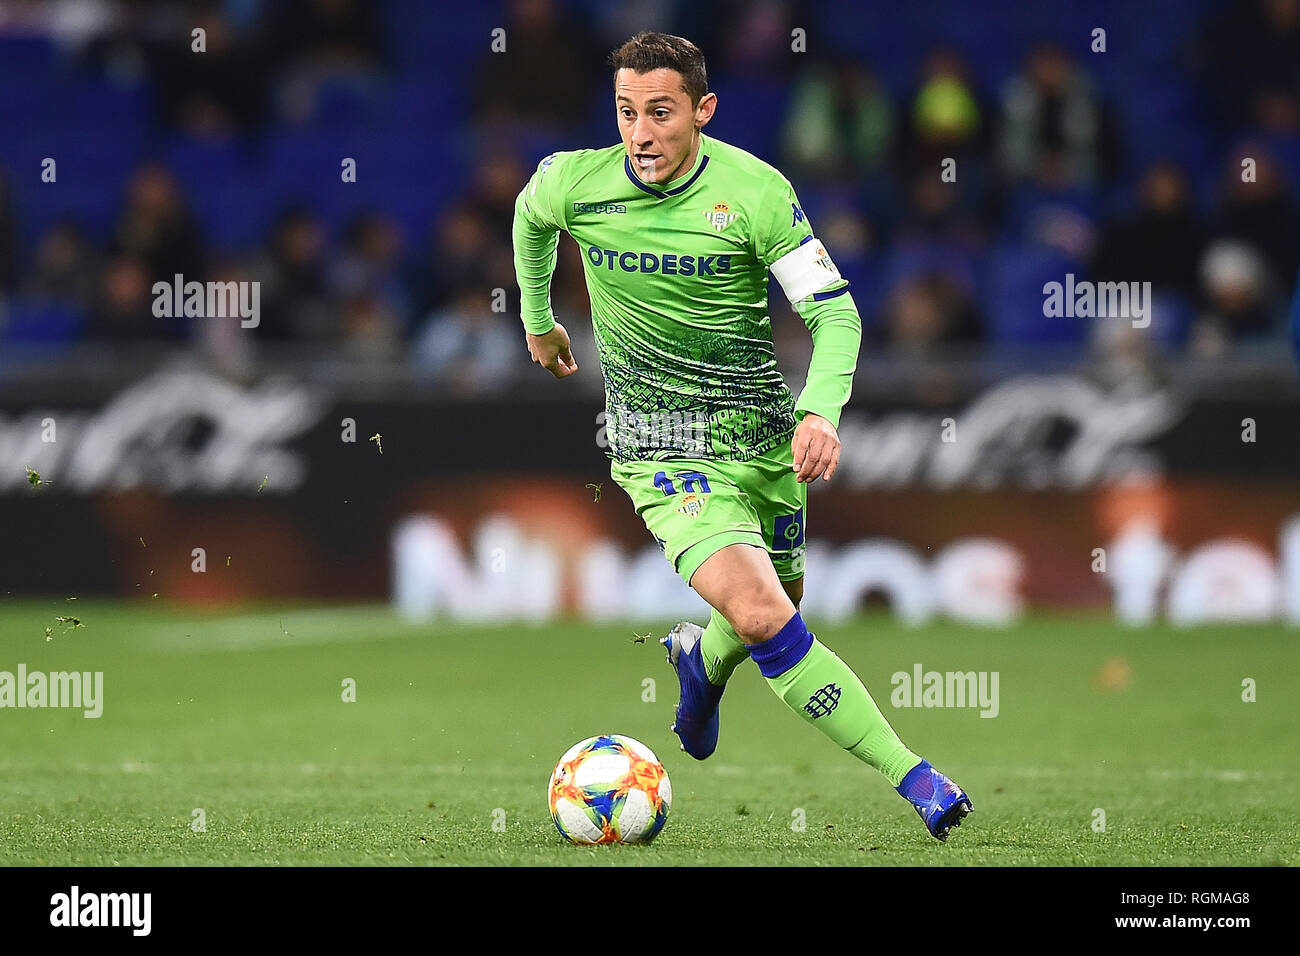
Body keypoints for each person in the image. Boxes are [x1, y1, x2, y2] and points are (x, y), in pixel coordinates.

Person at [511, 32, 972, 840]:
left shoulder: (754, 192)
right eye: (627, 113)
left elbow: (834, 312)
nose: (641, 133)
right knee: (765, 613)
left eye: (660, 112)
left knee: (781, 601)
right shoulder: (575, 183)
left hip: (762, 439)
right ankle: (918, 778)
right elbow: (530, 216)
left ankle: (701, 662)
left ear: (702, 110)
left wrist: (820, 410)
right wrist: (539, 320)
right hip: (661, 449)